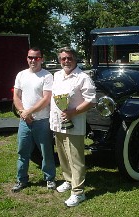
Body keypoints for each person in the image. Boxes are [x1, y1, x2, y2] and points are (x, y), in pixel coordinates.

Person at [50, 47, 96, 207]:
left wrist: (72, 112)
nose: (66, 61)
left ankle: (78, 192)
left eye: (69, 58)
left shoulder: (83, 77)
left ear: (75, 59)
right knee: (62, 156)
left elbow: (91, 100)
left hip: (74, 124)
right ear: (59, 60)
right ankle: (69, 181)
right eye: (63, 58)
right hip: (57, 123)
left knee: (76, 159)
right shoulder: (56, 75)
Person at [11, 47, 56, 192]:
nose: (33, 60)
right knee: (22, 152)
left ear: (41, 59)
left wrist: (29, 111)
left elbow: (46, 98)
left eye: (36, 58)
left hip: (42, 121)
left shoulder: (47, 76)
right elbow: (16, 97)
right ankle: (21, 180)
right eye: (30, 57)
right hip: (24, 121)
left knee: (46, 152)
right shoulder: (21, 75)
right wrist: (23, 112)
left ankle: (49, 178)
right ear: (27, 58)